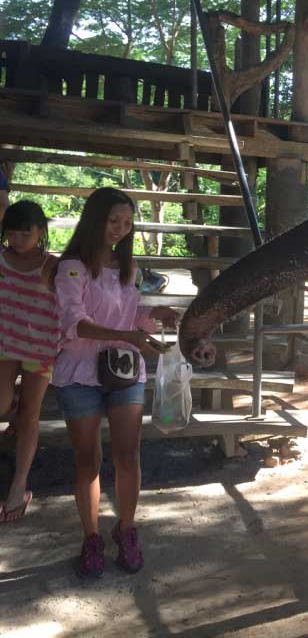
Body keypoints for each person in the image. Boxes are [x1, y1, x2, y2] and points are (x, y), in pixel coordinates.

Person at [52, 187, 178, 578]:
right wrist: (128, 336)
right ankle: (91, 538)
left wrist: (153, 313)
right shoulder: (72, 266)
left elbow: (129, 311)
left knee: (128, 455)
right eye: (113, 221)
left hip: (124, 369)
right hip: (79, 373)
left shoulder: (129, 267)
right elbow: (75, 322)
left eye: (127, 223)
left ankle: (126, 529)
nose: (120, 230)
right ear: (95, 219)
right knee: (88, 460)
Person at [0, 201, 59, 523]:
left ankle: (19, 485)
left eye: (25, 233)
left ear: (40, 232)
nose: (18, 240)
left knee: (30, 415)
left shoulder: (52, 266)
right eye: (12, 233)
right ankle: (15, 409)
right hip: (5, 343)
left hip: (40, 348)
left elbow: (65, 306)